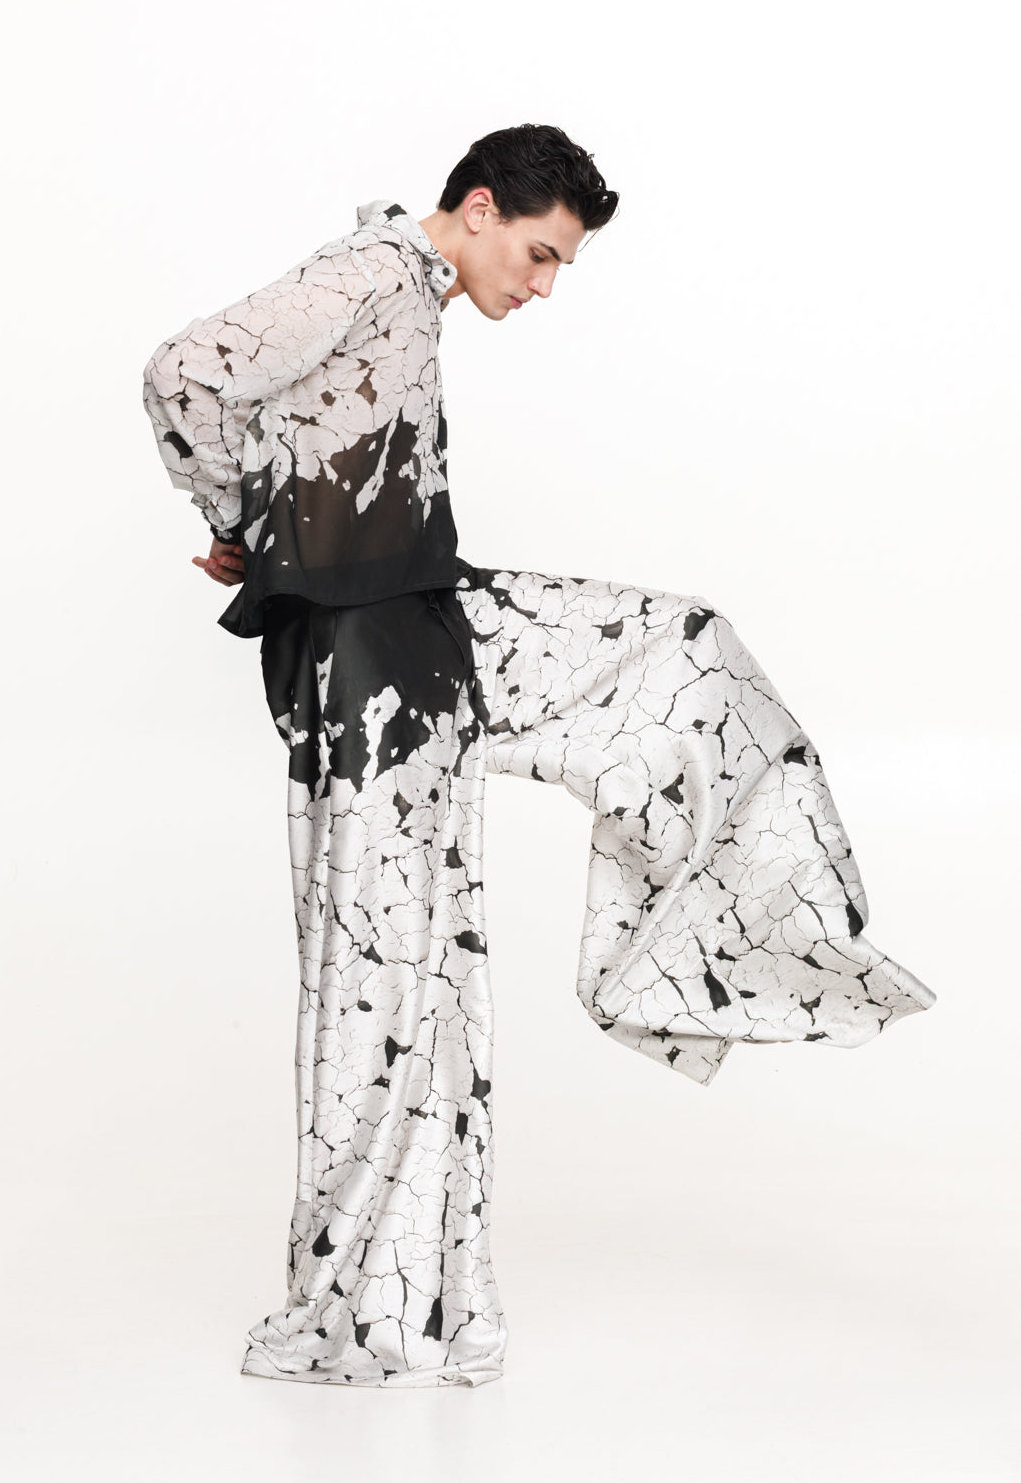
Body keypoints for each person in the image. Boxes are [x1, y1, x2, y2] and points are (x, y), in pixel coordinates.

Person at [141, 123, 937, 1390]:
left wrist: (264, 518)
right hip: (366, 667)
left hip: (426, 625)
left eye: (560, 264)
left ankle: (736, 959)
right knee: (394, 989)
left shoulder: (413, 291)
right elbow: (185, 372)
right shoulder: (368, 272)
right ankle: (366, 1317)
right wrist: (244, 516)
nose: (544, 285)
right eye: (539, 254)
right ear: (475, 209)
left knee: (682, 651)